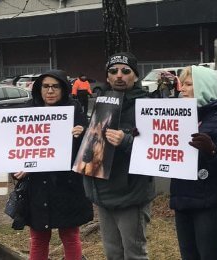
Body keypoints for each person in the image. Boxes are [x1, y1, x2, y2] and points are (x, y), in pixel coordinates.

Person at [11, 70, 92, 260]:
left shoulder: (75, 110)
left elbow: (87, 151)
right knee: (38, 237)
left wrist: (84, 134)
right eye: (45, 86)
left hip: (67, 184)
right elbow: (15, 147)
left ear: (63, 89)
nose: (50, 91)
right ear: (39, 89)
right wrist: (16, 169)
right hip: (37, 185)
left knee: (70, 236)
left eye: (55, 86)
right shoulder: (27, 111)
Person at [83, 52, 155, 260]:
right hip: (103, 190)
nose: (119, 76)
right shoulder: (101, 104)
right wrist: (82, 136)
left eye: (126, 71)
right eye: (113, 71)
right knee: (112, 252)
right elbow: (93, 147)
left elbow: (157, 150)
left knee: (134, 253)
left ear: (136, 76)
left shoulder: (149, 106)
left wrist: (126, 141)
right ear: (107, 77)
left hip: (132, 192)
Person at [170, 65, 217, 259]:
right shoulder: (177, 115)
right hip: (182, 198)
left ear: (203, 86)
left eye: (188, 84)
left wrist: (212, 150)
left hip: (210, 202)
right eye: (181, 84)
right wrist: (145, 135)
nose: (181, 89)